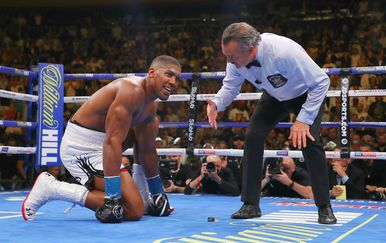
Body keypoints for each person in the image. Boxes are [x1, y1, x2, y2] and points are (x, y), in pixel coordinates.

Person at [22, 55, 181, 223]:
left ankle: (147, 197)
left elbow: (147, 149)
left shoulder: (150, 105)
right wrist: (112, 198)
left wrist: (157, 193)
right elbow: (112, 142)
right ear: (152, 73)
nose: (173, 82)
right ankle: (52, 188)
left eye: (177, 78)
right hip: (81, 148)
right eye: (169, 74)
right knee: (134, 210)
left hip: (104, 144)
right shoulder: (130, 91)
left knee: (151, 125)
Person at [206, 22, 336, 224]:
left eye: (231, 56)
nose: (228, 60)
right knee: (252, 137)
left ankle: (324, 206)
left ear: (250, 49)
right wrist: (216, 102)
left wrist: (303, 119)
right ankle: (251, 204)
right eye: (226, 55)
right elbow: (230, 86)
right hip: (274, 96)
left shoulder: (284, 51)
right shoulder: (235, 60)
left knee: (309, 141)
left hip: (305, 94)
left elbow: (321, 81)